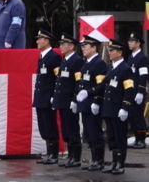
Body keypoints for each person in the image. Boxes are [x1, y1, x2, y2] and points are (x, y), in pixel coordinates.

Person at [98, 39, 136, 174]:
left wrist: (125, 107)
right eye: (109, 50)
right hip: (109, 108)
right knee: (112, 137)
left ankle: (120, 163)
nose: (109, 53)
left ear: (119, 52)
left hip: (118, 109)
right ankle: (114, 162)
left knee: (120, 137)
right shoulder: (111, 67)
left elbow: (129, 90)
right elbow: (104, 86)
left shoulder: (125, 69)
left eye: (112, 50)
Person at [75, 35, 107, 171]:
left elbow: (101, 85)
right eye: (82, 46)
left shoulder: (99, 63)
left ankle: (98, 160)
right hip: (85, 103)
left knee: (95, 133)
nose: (83, 48)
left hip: (93, 103)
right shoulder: (86, 63)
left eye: (86, 46)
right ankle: (94, 159)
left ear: (94, 48)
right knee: (89, 133)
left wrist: (96, 100)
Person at [52, 33, 84, 168]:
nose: (60, 47)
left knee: (72, 129)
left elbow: (78, 82)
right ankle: (70, 156)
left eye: (63, 44)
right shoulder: (64, 60)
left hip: (70, 100)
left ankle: (75, 157)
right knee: (65, 129)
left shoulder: (76, 60)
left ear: (71, 46)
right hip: (62, 100)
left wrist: (74, 99)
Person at [33, 30, 62, 164]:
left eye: (40, 39)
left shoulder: (53, 57)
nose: (38, 41)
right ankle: (48, 152)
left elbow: (58, 78)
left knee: (50, 125)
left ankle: (53, 154)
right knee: (43, 126)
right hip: (40, 97)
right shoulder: (42, 56)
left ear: (47, 41)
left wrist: (54, 96)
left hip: (48, 97)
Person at [126, 32, 148, 149]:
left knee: (138, 117)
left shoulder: (142, 57)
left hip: (137, 92)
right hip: (130, 91)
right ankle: (136, 138)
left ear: (138, 43)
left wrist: (140, 91)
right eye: (129, 41)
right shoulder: (130, 57)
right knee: (132, 116)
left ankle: (141, 140)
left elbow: (143, 76)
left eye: (132, 41)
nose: (129, 43)